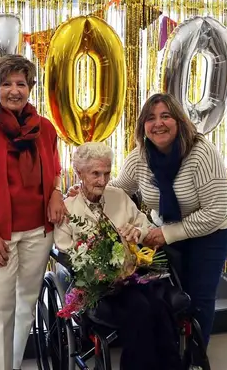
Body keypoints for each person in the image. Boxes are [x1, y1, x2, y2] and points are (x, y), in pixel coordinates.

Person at [69, 93, 227, 346]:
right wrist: (85, 190)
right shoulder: (141, 157)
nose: (158, 123)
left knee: (200, 294)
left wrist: (166, 235)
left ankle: (194, 357)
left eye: (165, 116)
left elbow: (213, 211)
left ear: (179, 121)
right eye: (150, 118)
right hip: (168, 225)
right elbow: (118, 188)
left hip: (214, 227)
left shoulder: (201, 153)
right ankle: (167, 351)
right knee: (170, 291)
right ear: (143, 126)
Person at [0, 54, 66, 370]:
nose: (14, 90)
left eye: (21, 83)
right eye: (6, 83)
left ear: (31, 87)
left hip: (37, 233)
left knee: (24, 308)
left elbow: (55, 167)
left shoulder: (45, 128)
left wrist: (56, 192)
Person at [56, 142, 182, 370]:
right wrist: (96, 267)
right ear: (79, 173)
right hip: (99, 284)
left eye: (106, 173)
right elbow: (66, 252)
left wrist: (139, 233)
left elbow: (145, 227)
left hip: (135, 275)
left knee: (160, 307)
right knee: (141, 308)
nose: (102, 181)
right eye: (95, 174)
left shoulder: (119, 197)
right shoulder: (68, 208)